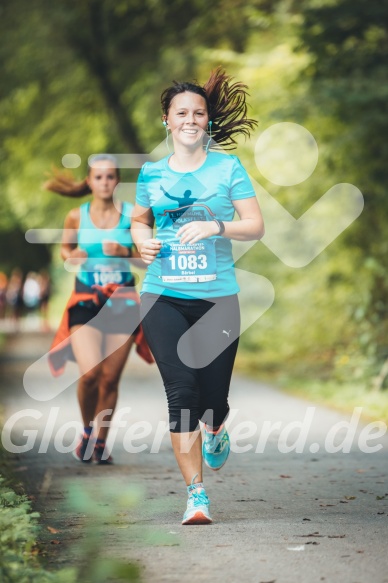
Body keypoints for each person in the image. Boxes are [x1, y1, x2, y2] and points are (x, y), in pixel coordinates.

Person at [131, 68, 264, 524]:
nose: (190, 119)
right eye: (181, 112)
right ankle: (196, 494)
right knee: (181, 392)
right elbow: (139, 220)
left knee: (212, 398)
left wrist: (215, 225)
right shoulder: (150, 173)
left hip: (217, 298)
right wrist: (141, 241)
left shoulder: (228, 167)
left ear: (207, 121)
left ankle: (217, 425)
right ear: (166, 121)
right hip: (162, 294)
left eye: (198, 112)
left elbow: (256, 225)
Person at [45, 155, 153, 464]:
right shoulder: (75, 217)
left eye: (110, 177)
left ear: (117, 181)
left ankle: (102, 443)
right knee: (90, 374)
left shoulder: (134, 216)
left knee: (109, 379)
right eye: (98, 177)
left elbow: (146, 259)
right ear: (89, 181)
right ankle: (87, 431)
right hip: (86, 302)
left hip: (123, 303)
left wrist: (126, 252)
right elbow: (65, 251)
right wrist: (73, 254)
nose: (104, 182)